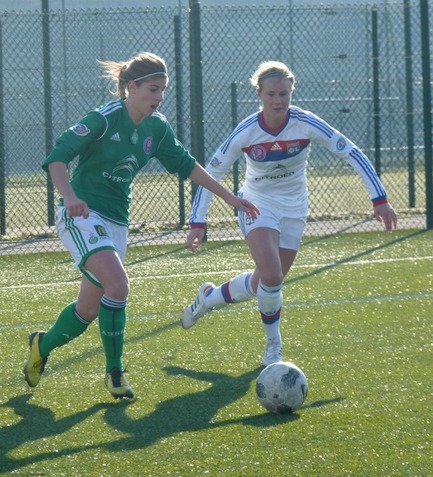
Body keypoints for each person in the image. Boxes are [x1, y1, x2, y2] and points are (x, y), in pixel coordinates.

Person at [23, 52, 260, 400]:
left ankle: (41, 345)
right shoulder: (104, 118)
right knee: (118, 286)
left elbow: (187, 165)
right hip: (84, 216)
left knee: (88, 310)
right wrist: (71, 197)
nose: (158, 97)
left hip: (116, 223)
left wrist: (230, 197)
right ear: (131, 87)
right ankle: (115, 373)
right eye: (152, 89)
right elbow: (57, 157)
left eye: (163, 90)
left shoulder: (156, 128)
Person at [181, 60, 397, 366]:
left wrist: (380, 199)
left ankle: (209, 297)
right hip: (257, 204)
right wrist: (197, 221)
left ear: (291, 91)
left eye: (284, 93)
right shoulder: (246, 131)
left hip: (295, 209)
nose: (278, 100)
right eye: (271, 94)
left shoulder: (305, 122)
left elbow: (351, 152)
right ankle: (274, 347)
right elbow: (211, 171)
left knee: (265, 283)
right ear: (259, 94)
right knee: (271, 275)